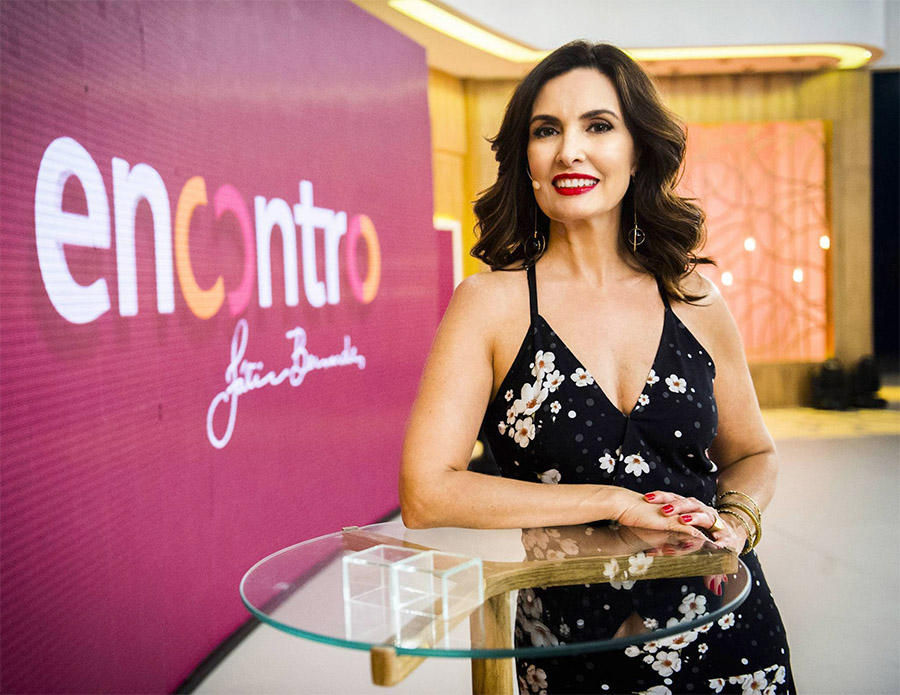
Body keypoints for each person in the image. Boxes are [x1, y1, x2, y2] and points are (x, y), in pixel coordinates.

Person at [400, 40, 794, 694]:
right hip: (573, 650)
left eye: (598, 126)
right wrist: (615, 501)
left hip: (730, 637)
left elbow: (753, 452)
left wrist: (737, 518)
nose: (569, 151)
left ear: (636, 151)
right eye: (546, 130)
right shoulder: (490, 304)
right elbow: (425, 492)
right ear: (526, 159)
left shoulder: (692, 297)